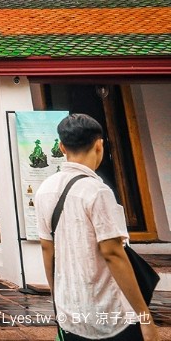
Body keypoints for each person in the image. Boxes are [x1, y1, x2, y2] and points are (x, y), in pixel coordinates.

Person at [34, 114, 157, 341]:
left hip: (71, 311)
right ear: (99, 144)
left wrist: (57, 298)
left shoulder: (45, 189)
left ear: (61, 147)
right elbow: (112, 253)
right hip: (111, 313)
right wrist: (145, 317)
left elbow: (47, 249)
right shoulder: (97, 191)